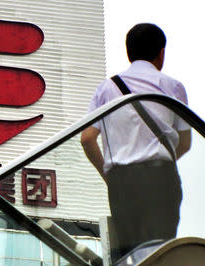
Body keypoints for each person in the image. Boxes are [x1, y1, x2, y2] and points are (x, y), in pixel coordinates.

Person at [80, 23, 191, 260]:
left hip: (122, 180)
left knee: (127, 254)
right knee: (160, 252)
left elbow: (87, 138)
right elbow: (185, 143)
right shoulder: (173, 87)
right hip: (161, 177)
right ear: (161, 53)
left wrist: (109, 176)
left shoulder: (107, 88)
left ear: (129, 52)